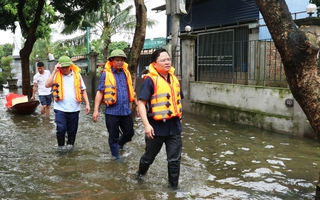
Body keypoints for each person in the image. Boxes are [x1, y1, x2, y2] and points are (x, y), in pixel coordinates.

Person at [136, 49, 183, 189]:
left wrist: (181, 117)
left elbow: (179, 99)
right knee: (149, 157)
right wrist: (146, 125)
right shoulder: (150, 80)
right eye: (163, 60)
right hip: (155, 127)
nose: (167, 62)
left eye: (168, 59)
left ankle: (173, 188)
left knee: (174, 160)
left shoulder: (174, 79)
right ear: (154, 64)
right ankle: (139, 175)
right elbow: (141, 103)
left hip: (174, 126)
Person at [92, 49, 138, 160]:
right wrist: (96, 110)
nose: (120, 62)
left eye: (122, 60)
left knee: (129, 133)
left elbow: (131, 90)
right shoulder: (106, 74)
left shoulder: (126, 73)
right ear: (111, 61)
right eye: (117, 60)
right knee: (113, 136)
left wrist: (137, 106)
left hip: (126, 110)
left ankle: (120, 144)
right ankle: (116, 157)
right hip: (112, 112)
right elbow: (100, 92)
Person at [45, 56, 90, 148]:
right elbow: (47, 85)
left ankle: (70, 147)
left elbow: (83, 90)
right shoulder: (56, 75)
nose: (64, 69)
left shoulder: (77, 75)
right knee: (61, 129)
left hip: (74, 109)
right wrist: (54, 71)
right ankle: (61, 147)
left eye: (66, 67)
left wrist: (87, 104)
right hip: (60, 108)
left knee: (72, 131)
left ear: (70, 66)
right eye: (63, 67)